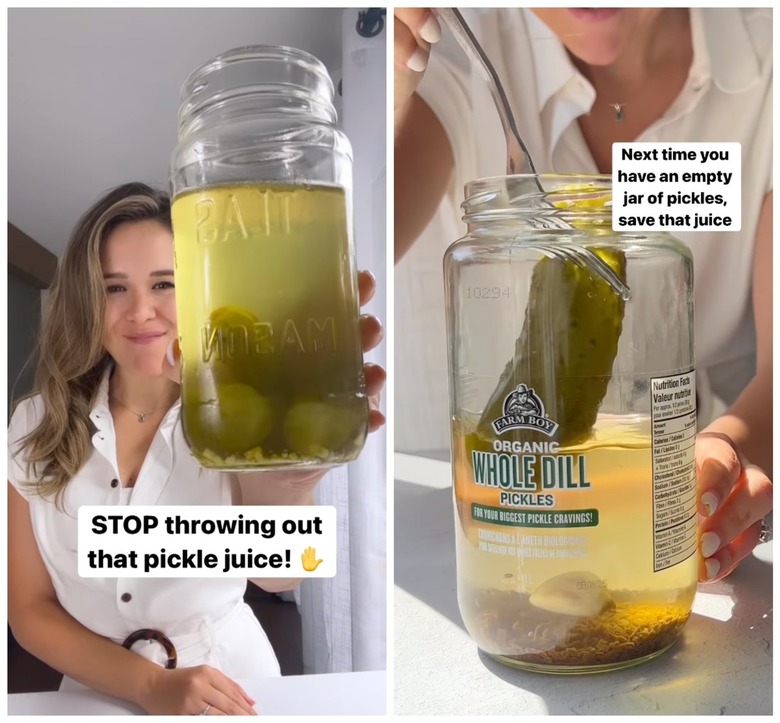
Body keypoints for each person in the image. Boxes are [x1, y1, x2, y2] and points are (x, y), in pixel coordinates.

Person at [394, 8, 771, 583]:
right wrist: (382, 90)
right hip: (499, 525)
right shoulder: (455, 39)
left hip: (667, 495)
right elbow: (342, 267)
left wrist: (736, 448)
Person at [8, 183, 385, 715]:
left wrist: (291, 481)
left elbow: (281, 573)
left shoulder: (241, 408)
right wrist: (147, 685)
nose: (141, 312)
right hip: (94, 697)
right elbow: (27, 608)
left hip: (233, 688)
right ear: (86, 300)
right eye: (115, 288)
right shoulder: (32, 425)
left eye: (164, 283)